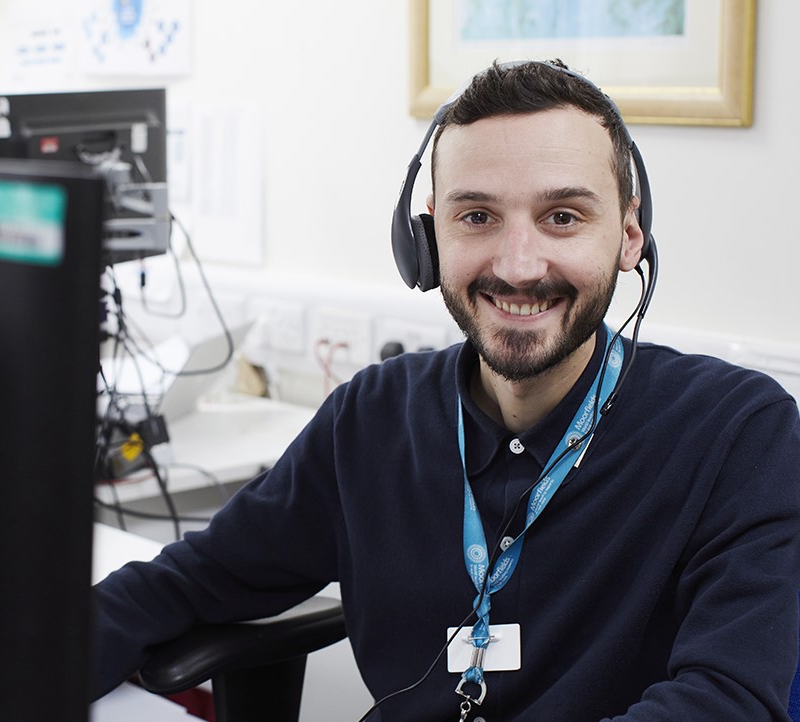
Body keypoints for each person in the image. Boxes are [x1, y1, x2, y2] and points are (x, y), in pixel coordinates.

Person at [91, 59, 800, 720]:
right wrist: (12, 665)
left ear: (628, 235)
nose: (519, 266)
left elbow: (726, 700)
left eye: (562, 217)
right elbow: (190, 582)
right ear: (424, 242)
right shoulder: (369, 420)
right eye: (476, 216)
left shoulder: (737, 433)